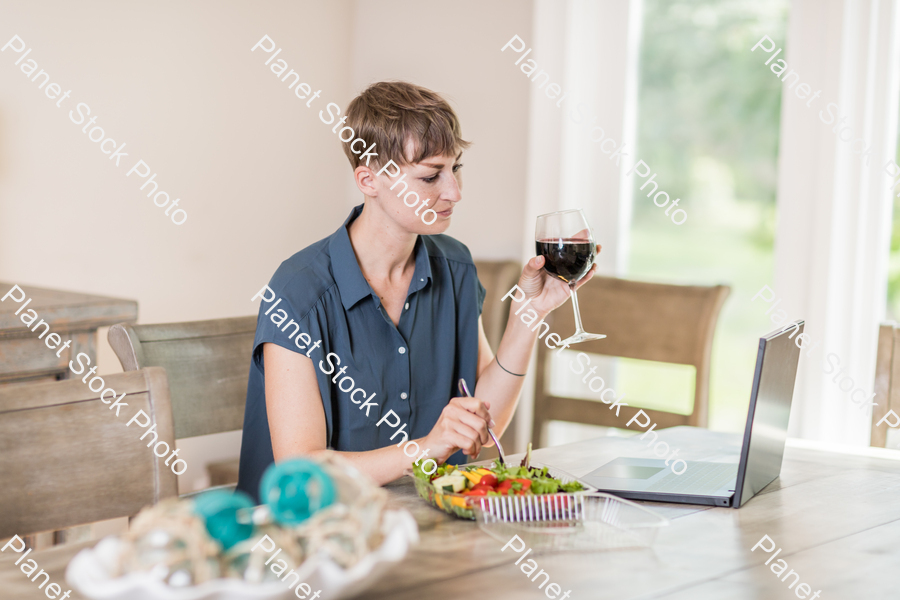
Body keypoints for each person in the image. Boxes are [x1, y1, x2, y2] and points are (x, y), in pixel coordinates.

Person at [236, 81, 598, 501]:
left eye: (455, 168)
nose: (454, 193)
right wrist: (426, 449)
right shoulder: (299, 291)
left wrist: (528, 316)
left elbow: (484, 422)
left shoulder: (454, 266)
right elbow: (302, 471)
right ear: (369, 180)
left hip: (424, 522)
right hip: (310, 538)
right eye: (430, 176)